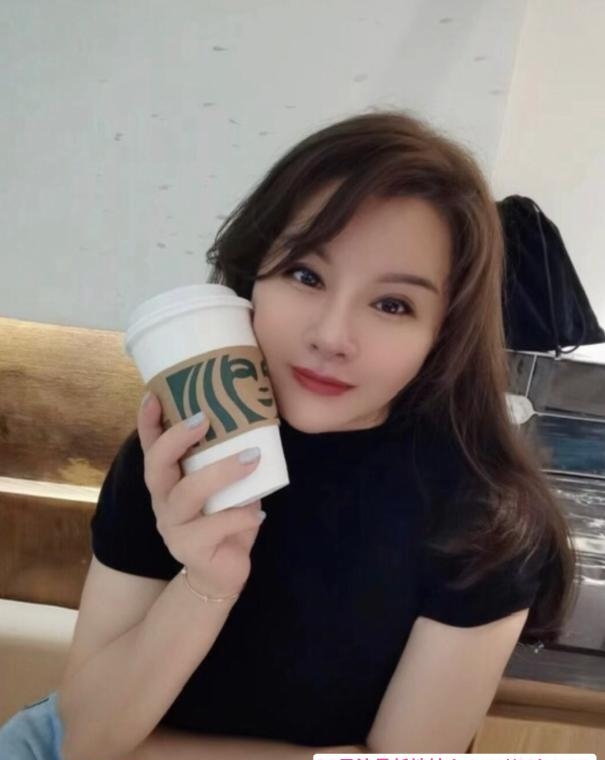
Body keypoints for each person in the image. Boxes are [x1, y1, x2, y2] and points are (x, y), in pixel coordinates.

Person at [0, 109, 577, 759]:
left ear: (442, 335)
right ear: (254, 277)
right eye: (305, 275)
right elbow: (83, 741)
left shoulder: (486, 523)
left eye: (392, 304)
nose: (331, 336)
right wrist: (207, 584)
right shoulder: (182, 453)